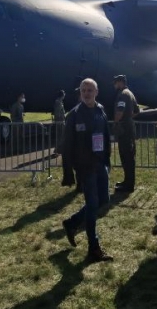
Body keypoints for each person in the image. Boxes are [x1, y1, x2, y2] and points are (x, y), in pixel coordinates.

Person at [61, 78, 113, 263]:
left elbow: (106, 136)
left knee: (103, 200)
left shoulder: (100, 111)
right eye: (84, 90)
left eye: (90, 90)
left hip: (100, 164)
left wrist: (107, 161)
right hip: (85, 167)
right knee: (92, 205)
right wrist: (69, 172)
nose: (87, 93)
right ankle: (94, 248)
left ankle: (72, 222)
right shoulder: (74, 115)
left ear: (96, 92)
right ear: (80, 92)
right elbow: (67, 146)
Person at [112, 75, 139, 193]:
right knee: (128, 156)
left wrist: (117, 122)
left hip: (125, 130)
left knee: (126, 157)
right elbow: (137, 111)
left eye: (115, 83)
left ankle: (129, 185)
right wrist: (128, 118)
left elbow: (119, 112)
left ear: (120, 82)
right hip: (129, 128)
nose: (114, 85)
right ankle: (127, 181)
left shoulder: (123, 94)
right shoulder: (130, 93)